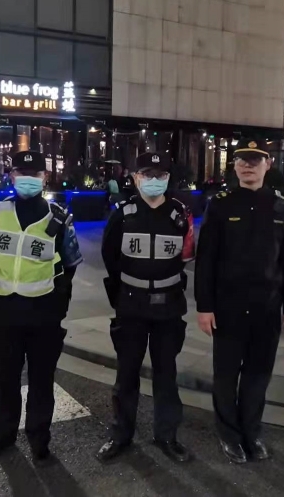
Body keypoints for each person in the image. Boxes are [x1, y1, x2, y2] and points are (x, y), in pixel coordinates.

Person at [194, 138, 284, 464]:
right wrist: (204, 306)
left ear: (268, 164)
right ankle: (229, 434)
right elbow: (206, 259)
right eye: (241, 160)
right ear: (235, 166)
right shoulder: (220, 204)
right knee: (226, 375)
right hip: (228, 306)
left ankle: (251, 432)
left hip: (267, 306)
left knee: (258, 374)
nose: (247, 165)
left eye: (254, 160)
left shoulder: (281, 205)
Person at [0, 150, 83, 464]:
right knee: (5, 379)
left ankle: (39, 438)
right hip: (6, 312)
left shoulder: (59, 218)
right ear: (12, 176)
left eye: (34, 174)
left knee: (41, 380)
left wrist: (55, 299)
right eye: (21, 173)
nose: (27, 179)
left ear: (44, 178)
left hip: (44, 315)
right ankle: (4, 433)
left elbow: (70, 263)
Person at [97, 152, 195, 463]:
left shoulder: (180, 215)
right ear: (136, 178)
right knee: (126, 375)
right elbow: (109, 256)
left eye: (159, 175)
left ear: (168, 178)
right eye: (147, 174)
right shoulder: (123, 214)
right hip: (131, 306)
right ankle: (121, 435)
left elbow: (187, 255)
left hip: (168, 307)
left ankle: (167, 436)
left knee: (166, 375)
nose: (153, 180)